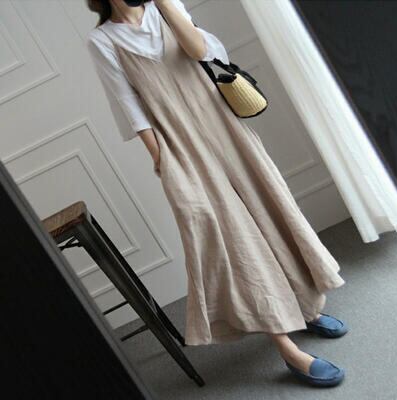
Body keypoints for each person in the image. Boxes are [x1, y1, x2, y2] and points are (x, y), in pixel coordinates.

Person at [86, 0, 349, 387]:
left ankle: (305, 309)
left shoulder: (166, 8)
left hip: (224, 127)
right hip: (179, 144)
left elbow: (200, 51)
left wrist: (166, 5)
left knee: (269, 210)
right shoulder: (103, 40)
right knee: (231, 237)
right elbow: (129, 105)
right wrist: (162, 159)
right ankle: (287, 347)